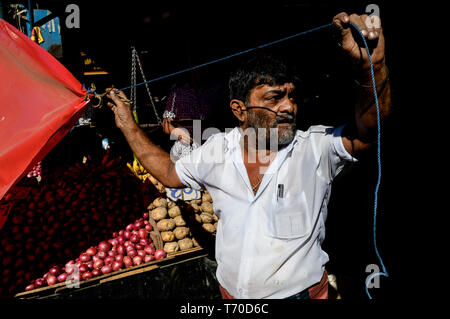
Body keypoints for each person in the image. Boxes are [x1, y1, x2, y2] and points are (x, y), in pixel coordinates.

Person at [106, 12, 391, 299]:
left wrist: (373, 68)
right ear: (239, 110)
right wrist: (128, 125)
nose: (288, 107)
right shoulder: (217, 149)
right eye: (274, 98)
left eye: (292, 97)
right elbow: (169, 172)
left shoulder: (314, 148)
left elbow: (367, 134)